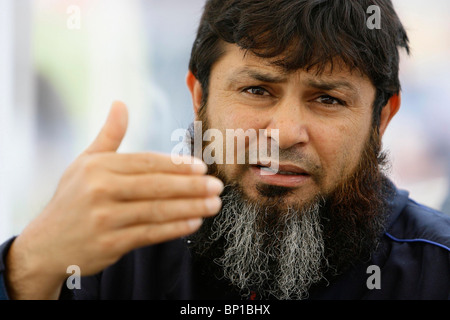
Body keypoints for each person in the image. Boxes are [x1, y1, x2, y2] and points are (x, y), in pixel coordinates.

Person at [1, 0, 449, 300]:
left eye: (327, 99)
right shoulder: (112, 251)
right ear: (199, 97)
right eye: (257, 90)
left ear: (381, 117)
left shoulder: (435, 272)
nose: (285, 132)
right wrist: (30, 263)